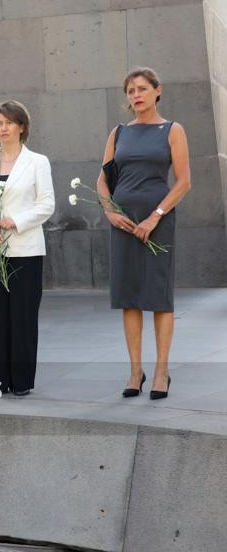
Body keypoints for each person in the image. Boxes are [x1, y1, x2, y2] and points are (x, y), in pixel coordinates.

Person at [98, 67, 190, 400]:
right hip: (122, 223)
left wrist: (155, 216)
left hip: (158, 221)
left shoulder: (172, 130)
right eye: (130, 91)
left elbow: (183, 181)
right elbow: (103, 178)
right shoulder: (118, 133)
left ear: (156, 91)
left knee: (158, 296)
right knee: (129, 296)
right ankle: (135, 371)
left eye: (141, 89)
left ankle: (162, 371)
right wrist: (109, 210)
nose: (135, 95)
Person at [0, 101, 55, 396]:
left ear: (22, 127)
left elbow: (46, 204)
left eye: (8, 123)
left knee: (23, 315)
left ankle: (21, 381)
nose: (2, 128)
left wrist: (15, 221)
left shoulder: (37, 162)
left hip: (26, 249)